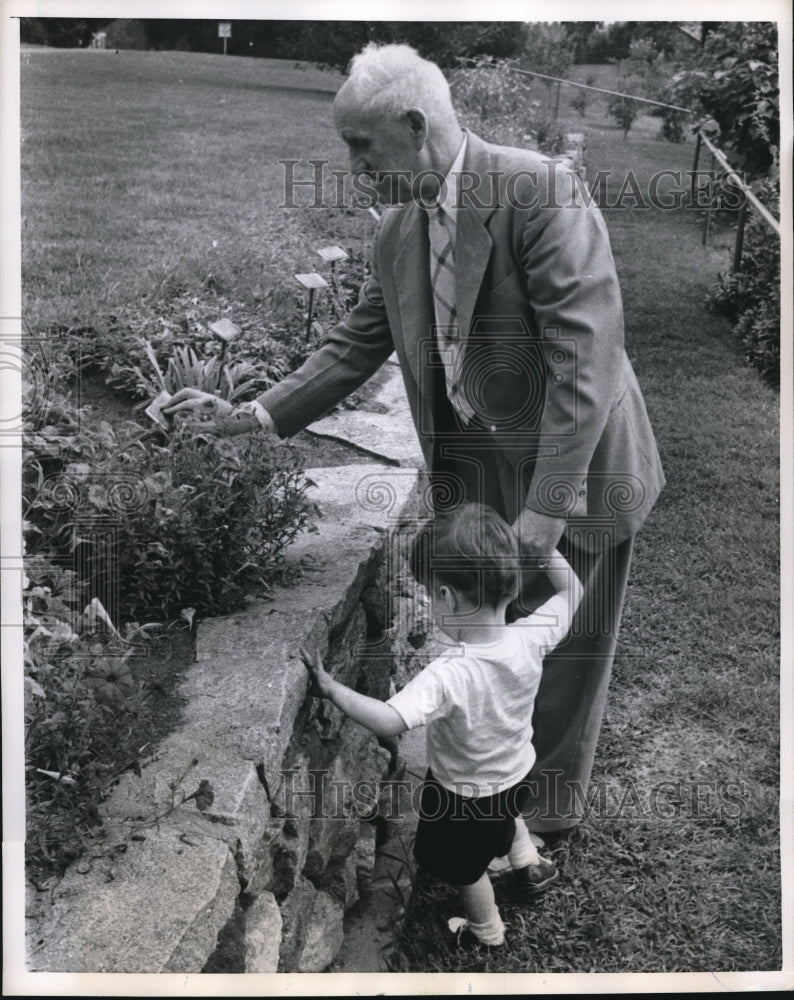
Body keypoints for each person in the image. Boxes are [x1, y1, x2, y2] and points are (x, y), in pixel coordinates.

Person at [164, 43, 665, 837]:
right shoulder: (400, 230)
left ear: (414, 124)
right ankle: (499, 797)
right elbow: (355, 343)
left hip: (577, 462)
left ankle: (544, 819)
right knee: (501, 634)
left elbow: (586, 363)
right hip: (483, 463)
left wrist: (546, 510)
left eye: (361, 145)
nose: (353, 166)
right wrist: (253, 413)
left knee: (570, 647)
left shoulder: (538, 191)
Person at [300, 503, 583, 948]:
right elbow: (572, 592)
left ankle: (486, 931)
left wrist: (332, 689)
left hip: (463, 796)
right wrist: (542, 547)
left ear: (448, 597)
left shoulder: (449, 674)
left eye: (430, 595)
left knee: (464, 870)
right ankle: (529, 863)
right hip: (518, 772)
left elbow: (389, 718)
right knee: (505, 816)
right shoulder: (531, 636)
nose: (431, 604)